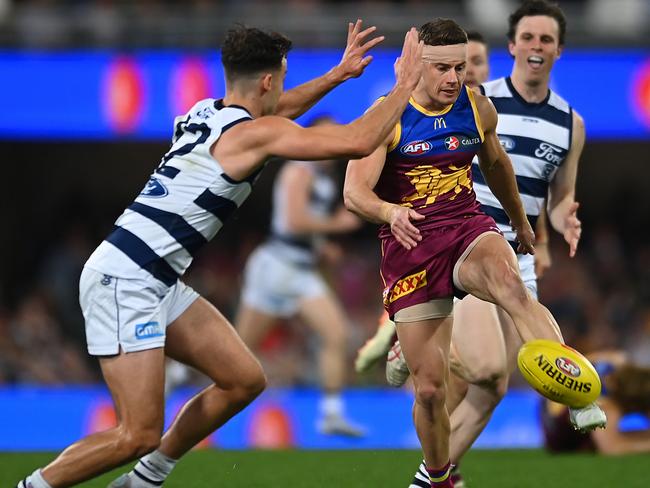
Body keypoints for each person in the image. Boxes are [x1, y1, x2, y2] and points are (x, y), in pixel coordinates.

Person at [16, 21, 425, 488]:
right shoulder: (254, 135)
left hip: (152, 276)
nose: (283, 91)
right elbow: (357, 140)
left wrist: (336, 76)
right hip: (127, 279)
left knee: (242, 380)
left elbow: (277, 113)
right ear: (269, 81)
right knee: (137, 433)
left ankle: (144, 481)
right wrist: (405, 85)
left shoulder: (205, 112)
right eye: (282, 79)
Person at [343, 17, 603, 488]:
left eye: (459, 67)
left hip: (468, 226)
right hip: (412, 245)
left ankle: (577, 395)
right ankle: (438, 477)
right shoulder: (388, 114)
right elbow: (354, 192)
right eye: (442, 68)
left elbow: (497, 163)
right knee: (428, 389)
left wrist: (522, 222)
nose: (453, 79)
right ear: (416, 67)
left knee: (513, 289)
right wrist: (388, 212)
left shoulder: (477, 108)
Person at [236, 113, 365, 437]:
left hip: (301, 269)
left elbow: (303, 224)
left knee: (335, 333)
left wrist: (322, 247)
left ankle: (332, 414)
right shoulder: (299, 170)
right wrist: (337, 225)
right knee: (238, 351)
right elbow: (293, 221)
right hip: (277, 267)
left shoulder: (324, 177)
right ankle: (182, 375)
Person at [543, 350, 650, 455]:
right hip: (557, 430)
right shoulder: (607, 407)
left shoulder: (617, 360)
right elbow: (612, 448)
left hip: (552, 396)